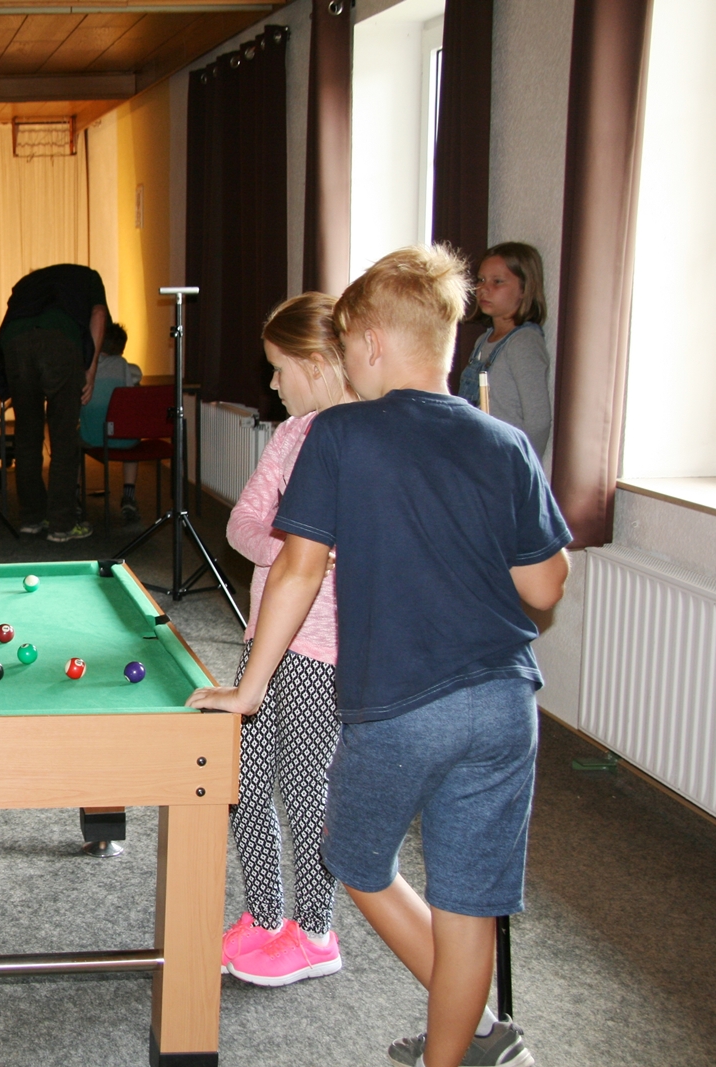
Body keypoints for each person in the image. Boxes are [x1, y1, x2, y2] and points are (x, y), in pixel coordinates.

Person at [191, 246, 571, 1067]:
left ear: (367, 343)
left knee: (356, 860)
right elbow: (545, 584)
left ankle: (465, 1029)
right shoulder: (504, 441)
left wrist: (248, 689)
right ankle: (460, 1048)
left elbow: (296, 569)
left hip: (404, 704)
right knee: (467, 900)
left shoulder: (339, 432)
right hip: (505, 702)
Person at [219, 293, 353, 987]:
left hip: (320, 651)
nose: (271, 383)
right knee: (241, 781)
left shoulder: (361, 439)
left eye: (279, 368)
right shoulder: (292, 434)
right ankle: (266, 914)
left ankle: (317, 931)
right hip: (264, 636)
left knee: (305, 790)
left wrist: (304, 547)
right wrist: (293, 546)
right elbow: (243, 523)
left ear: (318, 362)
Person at [0, 263, 111, 542]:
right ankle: (61, 524)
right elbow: (98, 314)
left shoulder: (28, 281)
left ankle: (31, 518)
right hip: (58, 341)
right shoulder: (89, 277)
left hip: (15, 343)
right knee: (64, 437)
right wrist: (90, 370)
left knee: (27, 437)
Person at [456, 242, 552, 457]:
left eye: (497, 282)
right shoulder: (483, 340)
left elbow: (538, 421)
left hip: (503, 458)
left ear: (524, 289)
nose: (484, 289)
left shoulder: (523, 343)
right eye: (481, 280)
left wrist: (523, 465)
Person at [78, 322, 142, 524]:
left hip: (92, 438)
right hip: (122, 439)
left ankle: (75, 494)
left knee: (72, 440)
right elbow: (134, 380)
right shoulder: (123, 366)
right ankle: (128, 496)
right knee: (134, 438)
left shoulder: (86, 366)